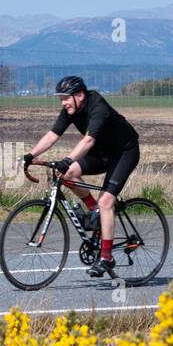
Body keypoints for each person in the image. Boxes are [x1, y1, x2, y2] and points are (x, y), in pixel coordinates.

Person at [22, 75, 140, 278]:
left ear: (80, 95)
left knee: (106, 202)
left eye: (66, 98)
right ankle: (94, 213)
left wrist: (67, 158)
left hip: (124, 153)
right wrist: (31, 155)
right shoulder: (71, 110)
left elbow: (89, 140)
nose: (63, 103)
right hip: (101, 154)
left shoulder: (98, 106)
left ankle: (106, 257)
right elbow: (52, 135)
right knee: (66, 175)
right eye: (61, 99)